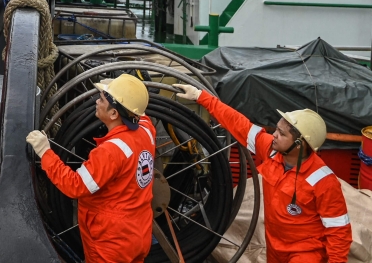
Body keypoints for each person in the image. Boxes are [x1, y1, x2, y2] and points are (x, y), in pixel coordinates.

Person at [172, 83, 352, 263]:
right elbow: (240, 124)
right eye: (277, 129)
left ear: (300, 144)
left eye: (281, 133)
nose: (274, 135)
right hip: (275, 247)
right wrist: (200, 96)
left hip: (306, 253)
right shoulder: (272, 151)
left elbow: (339, 231)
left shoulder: (323, 182)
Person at [27, 74, 156, 263]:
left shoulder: (110, 152)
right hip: (139, 234)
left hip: (111, 241)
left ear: (113, 114)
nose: (97, 101)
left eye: (102, 99)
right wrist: (124, 88)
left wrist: (45, 152)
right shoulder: (146, 131)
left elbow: (75, 186)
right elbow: (140, 113)